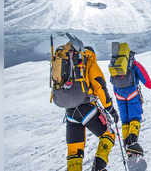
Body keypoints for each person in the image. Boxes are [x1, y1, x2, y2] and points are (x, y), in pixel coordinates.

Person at [51, 35, 119, 171]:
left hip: (70, 112)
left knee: (74, 151)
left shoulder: (64, 62)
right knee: (108, 134)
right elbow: (100, 87)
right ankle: (98, 168)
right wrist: (110, 109)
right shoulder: (89, 61)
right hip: (87, 108)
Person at [108, 43, 151, 156]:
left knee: (125, 120)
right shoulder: (133, 64)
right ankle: (133, 142)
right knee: (135, 117)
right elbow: (145, 78)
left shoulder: (114, 63)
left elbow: (112, 80)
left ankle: (127, 145)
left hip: (119, 95)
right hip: (132, 93)